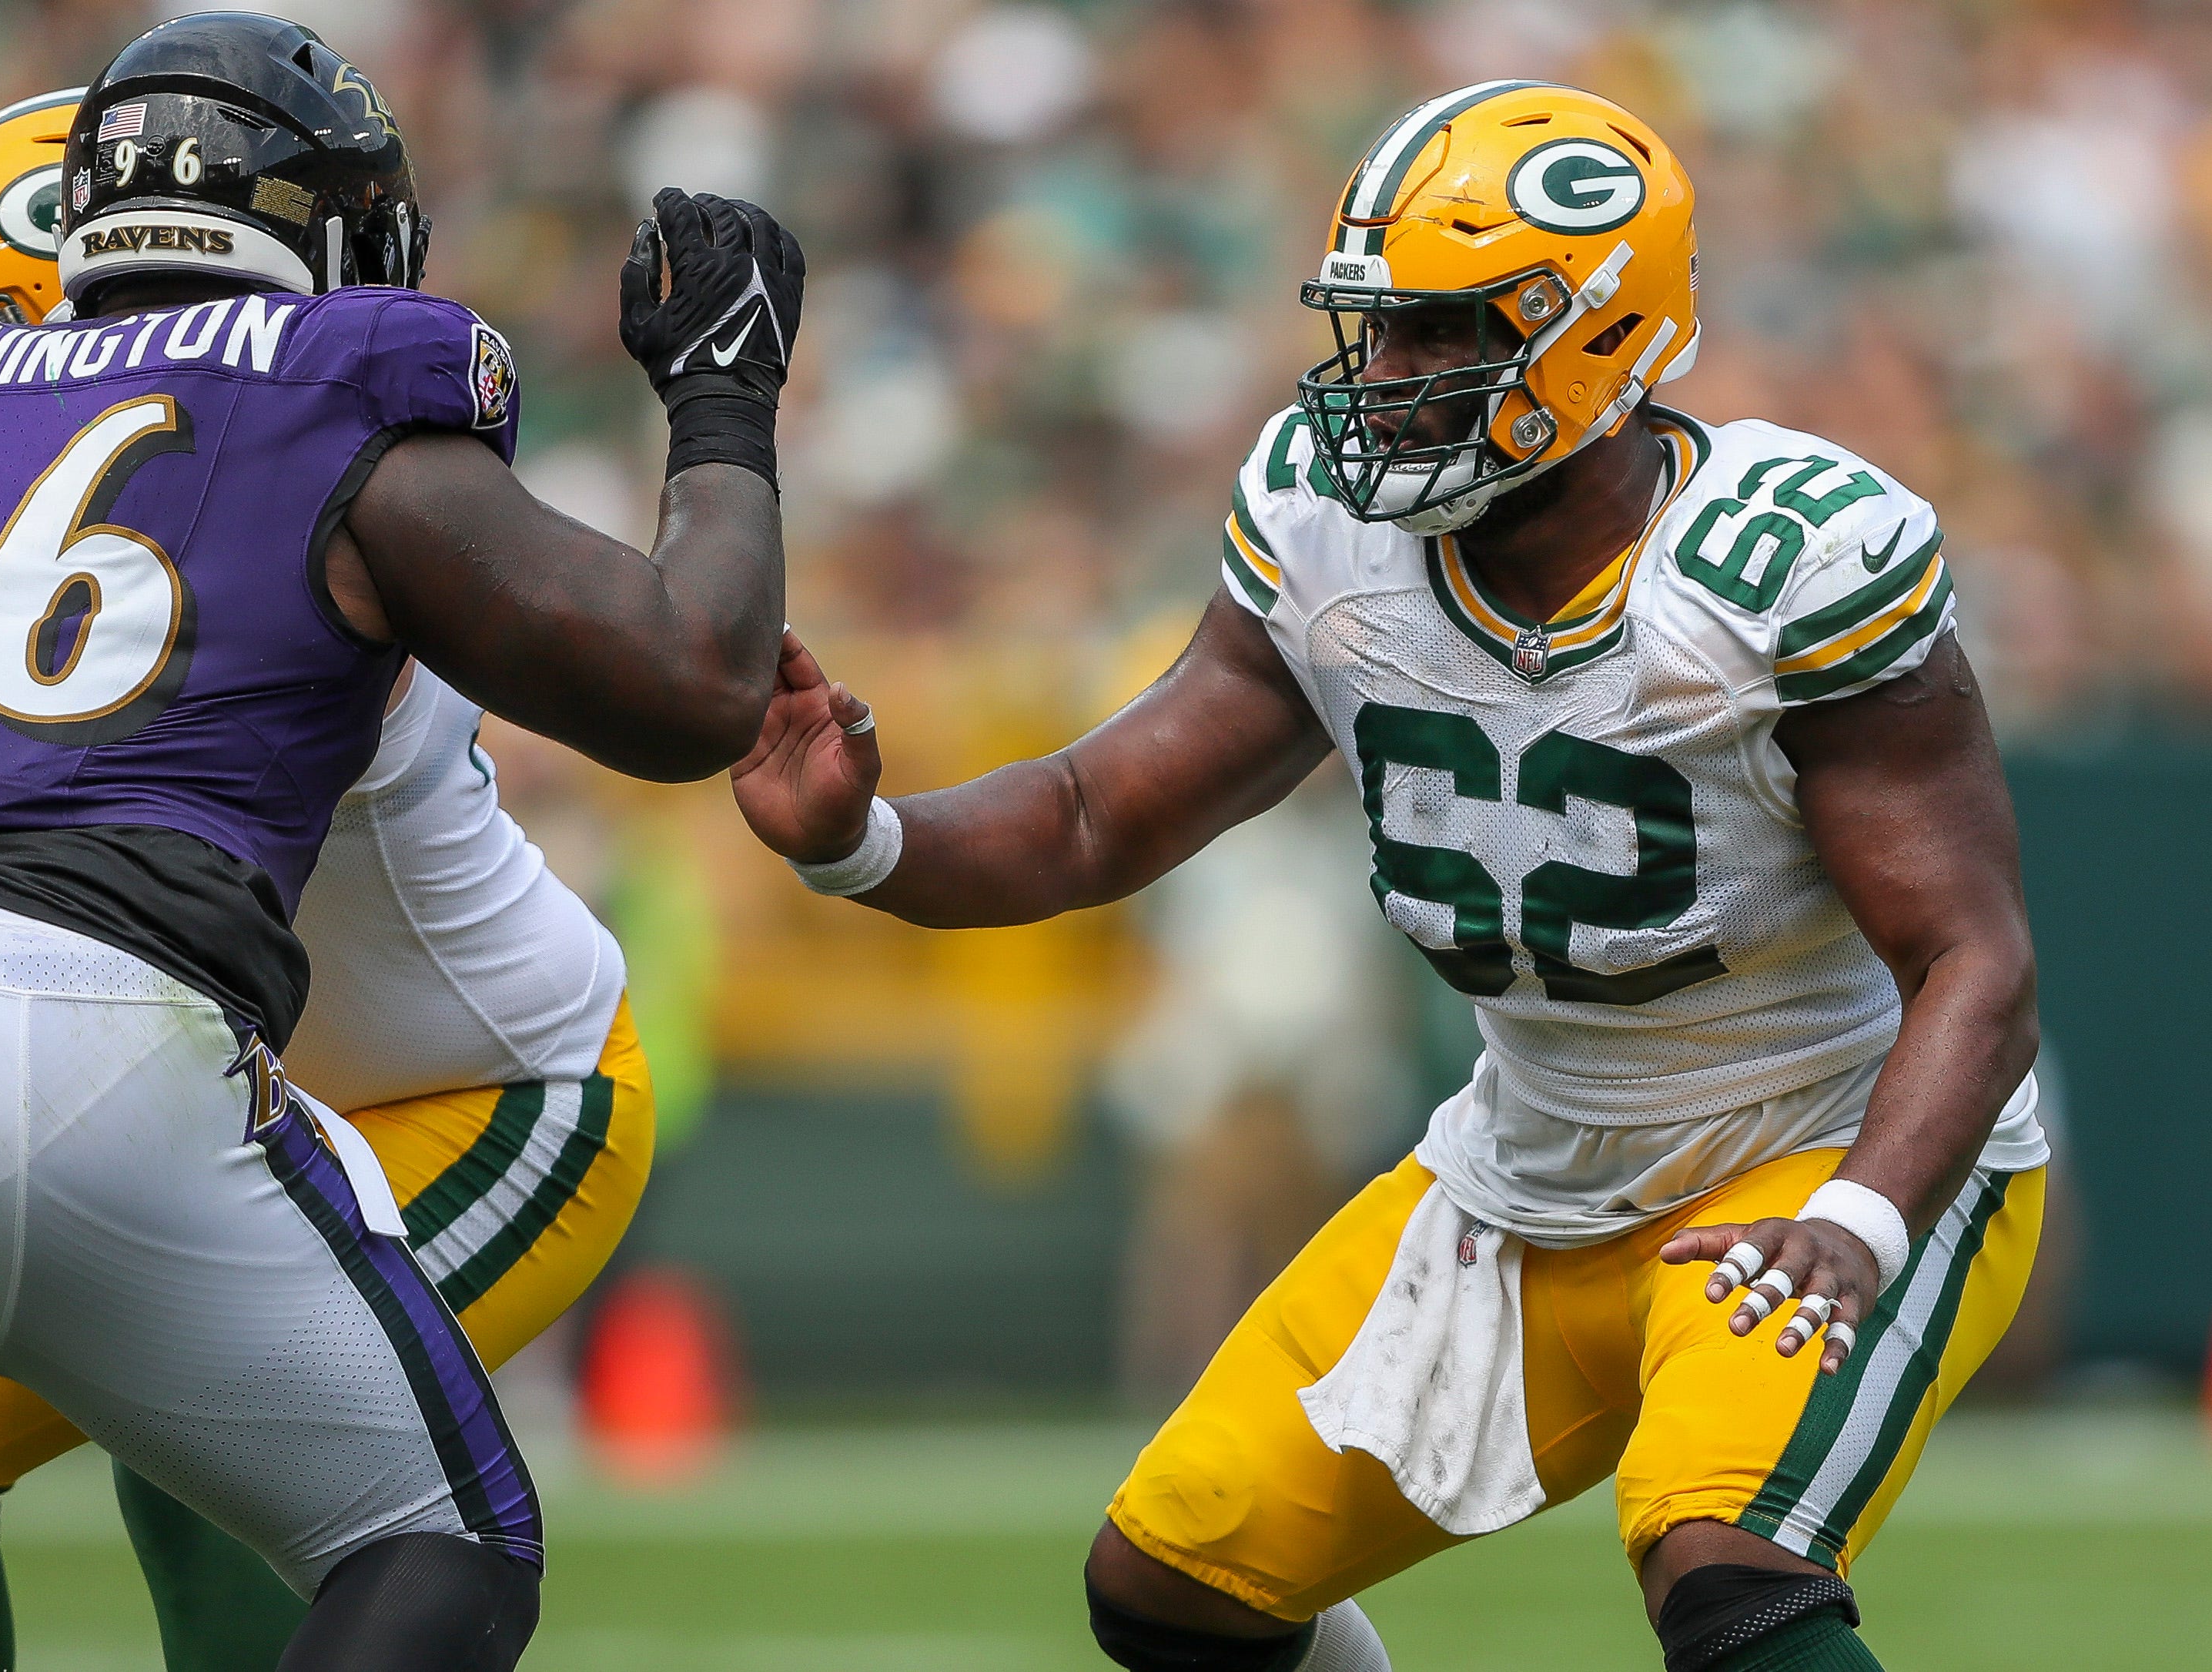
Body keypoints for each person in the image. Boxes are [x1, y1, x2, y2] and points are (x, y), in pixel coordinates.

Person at [731, 81, 2045, 1672]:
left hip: (1810, 1142)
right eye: (1380, 330)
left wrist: (1858, 1216)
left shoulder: (1777, 562)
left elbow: (1973, 965)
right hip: (1527, 1171)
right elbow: (1096, 815)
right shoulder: (1324, 529)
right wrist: (863, 842)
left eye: (1442, 332)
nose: (1392, 377)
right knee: (1170, 1584)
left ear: (1599, 338)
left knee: (1723, 1564)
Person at [0, 14, 802, 1671]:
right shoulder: (320, 408)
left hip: (431, 1080)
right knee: (392, 1540)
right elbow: (692, 689)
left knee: (185, 1457)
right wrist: (720, 402)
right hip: (97, 1037)